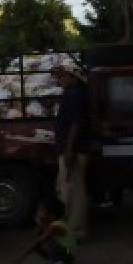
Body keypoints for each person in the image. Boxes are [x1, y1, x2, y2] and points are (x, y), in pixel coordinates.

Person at [51, 63, 92, 242]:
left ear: (73, 77)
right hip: (72, 149)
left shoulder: (75, 95)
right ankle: (73, 228)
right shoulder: (72, 92)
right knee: (68, 189)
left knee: (73, 192)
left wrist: (69, 150)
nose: (59, 79)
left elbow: (76, 124)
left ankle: (76, 232)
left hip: (74, 151)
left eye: (62, 76)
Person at [14, 196, 76, 264]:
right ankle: (55, 263)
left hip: (67, 255)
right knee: (38, 247)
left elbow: (39, 241)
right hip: (59, 253)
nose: (38, 212)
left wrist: (21, 257)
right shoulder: (47, 224)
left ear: (52, 215)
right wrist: (40, 224)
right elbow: (34, 238)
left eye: (42, 210)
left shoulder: (56, 226)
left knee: (45, 244)